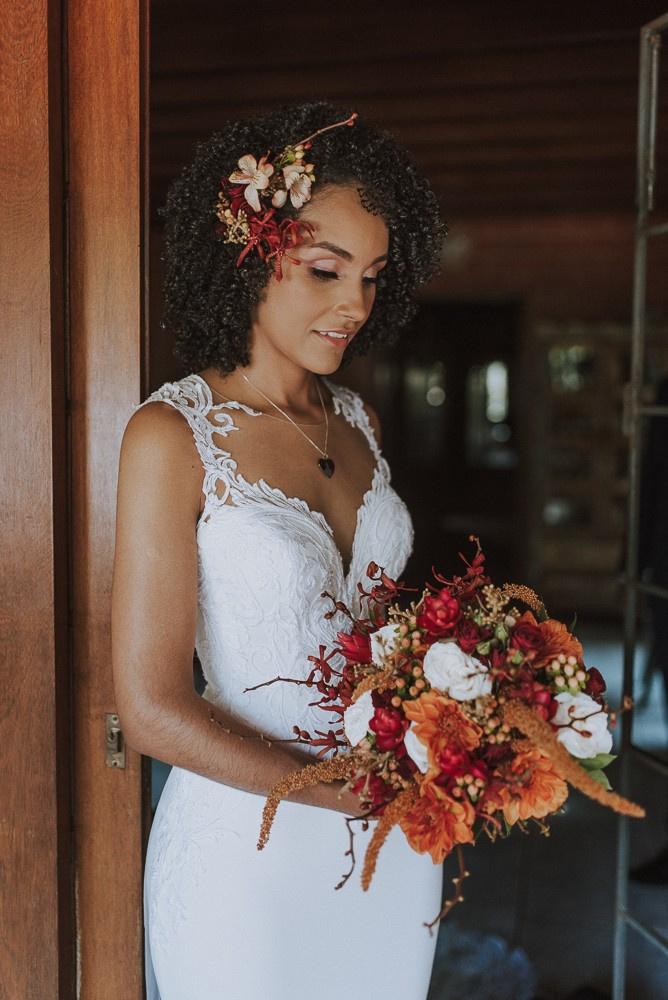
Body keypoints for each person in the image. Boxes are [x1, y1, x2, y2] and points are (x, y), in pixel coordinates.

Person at [111, 100, 447, 1000]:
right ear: (251, 255)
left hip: (390, 848)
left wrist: (460, 728)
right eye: (327, 270)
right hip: (244, 861)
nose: (355, 306)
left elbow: (390, 649)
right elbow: (148, 708)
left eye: (375, 278)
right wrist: (342, 792)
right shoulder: (170, 435)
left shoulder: (359, 423)